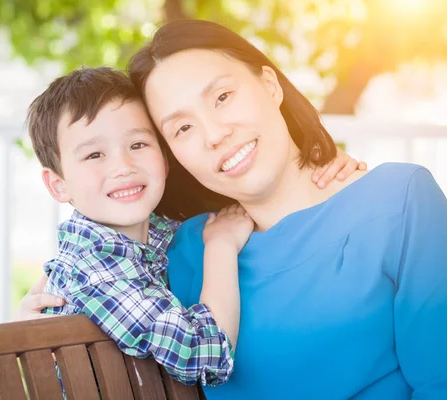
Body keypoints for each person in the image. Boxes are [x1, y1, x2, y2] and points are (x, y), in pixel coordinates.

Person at [22, 20, 447, 399]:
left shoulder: (399, 200)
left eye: (222, 96)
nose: (214, 134)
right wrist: (31, 329)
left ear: (270, 84)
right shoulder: (180, 250)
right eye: (182, 127)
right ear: (173, 155)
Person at [21, 65, 366, 387]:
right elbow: (206, 356)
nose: (123, 166)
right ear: (58, 185)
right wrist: (221, 247)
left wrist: (327, 178)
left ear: (165, 157)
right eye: (95, 155)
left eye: (138, 144)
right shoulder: (94, 270)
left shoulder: (157, 235)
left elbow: (243, 214)